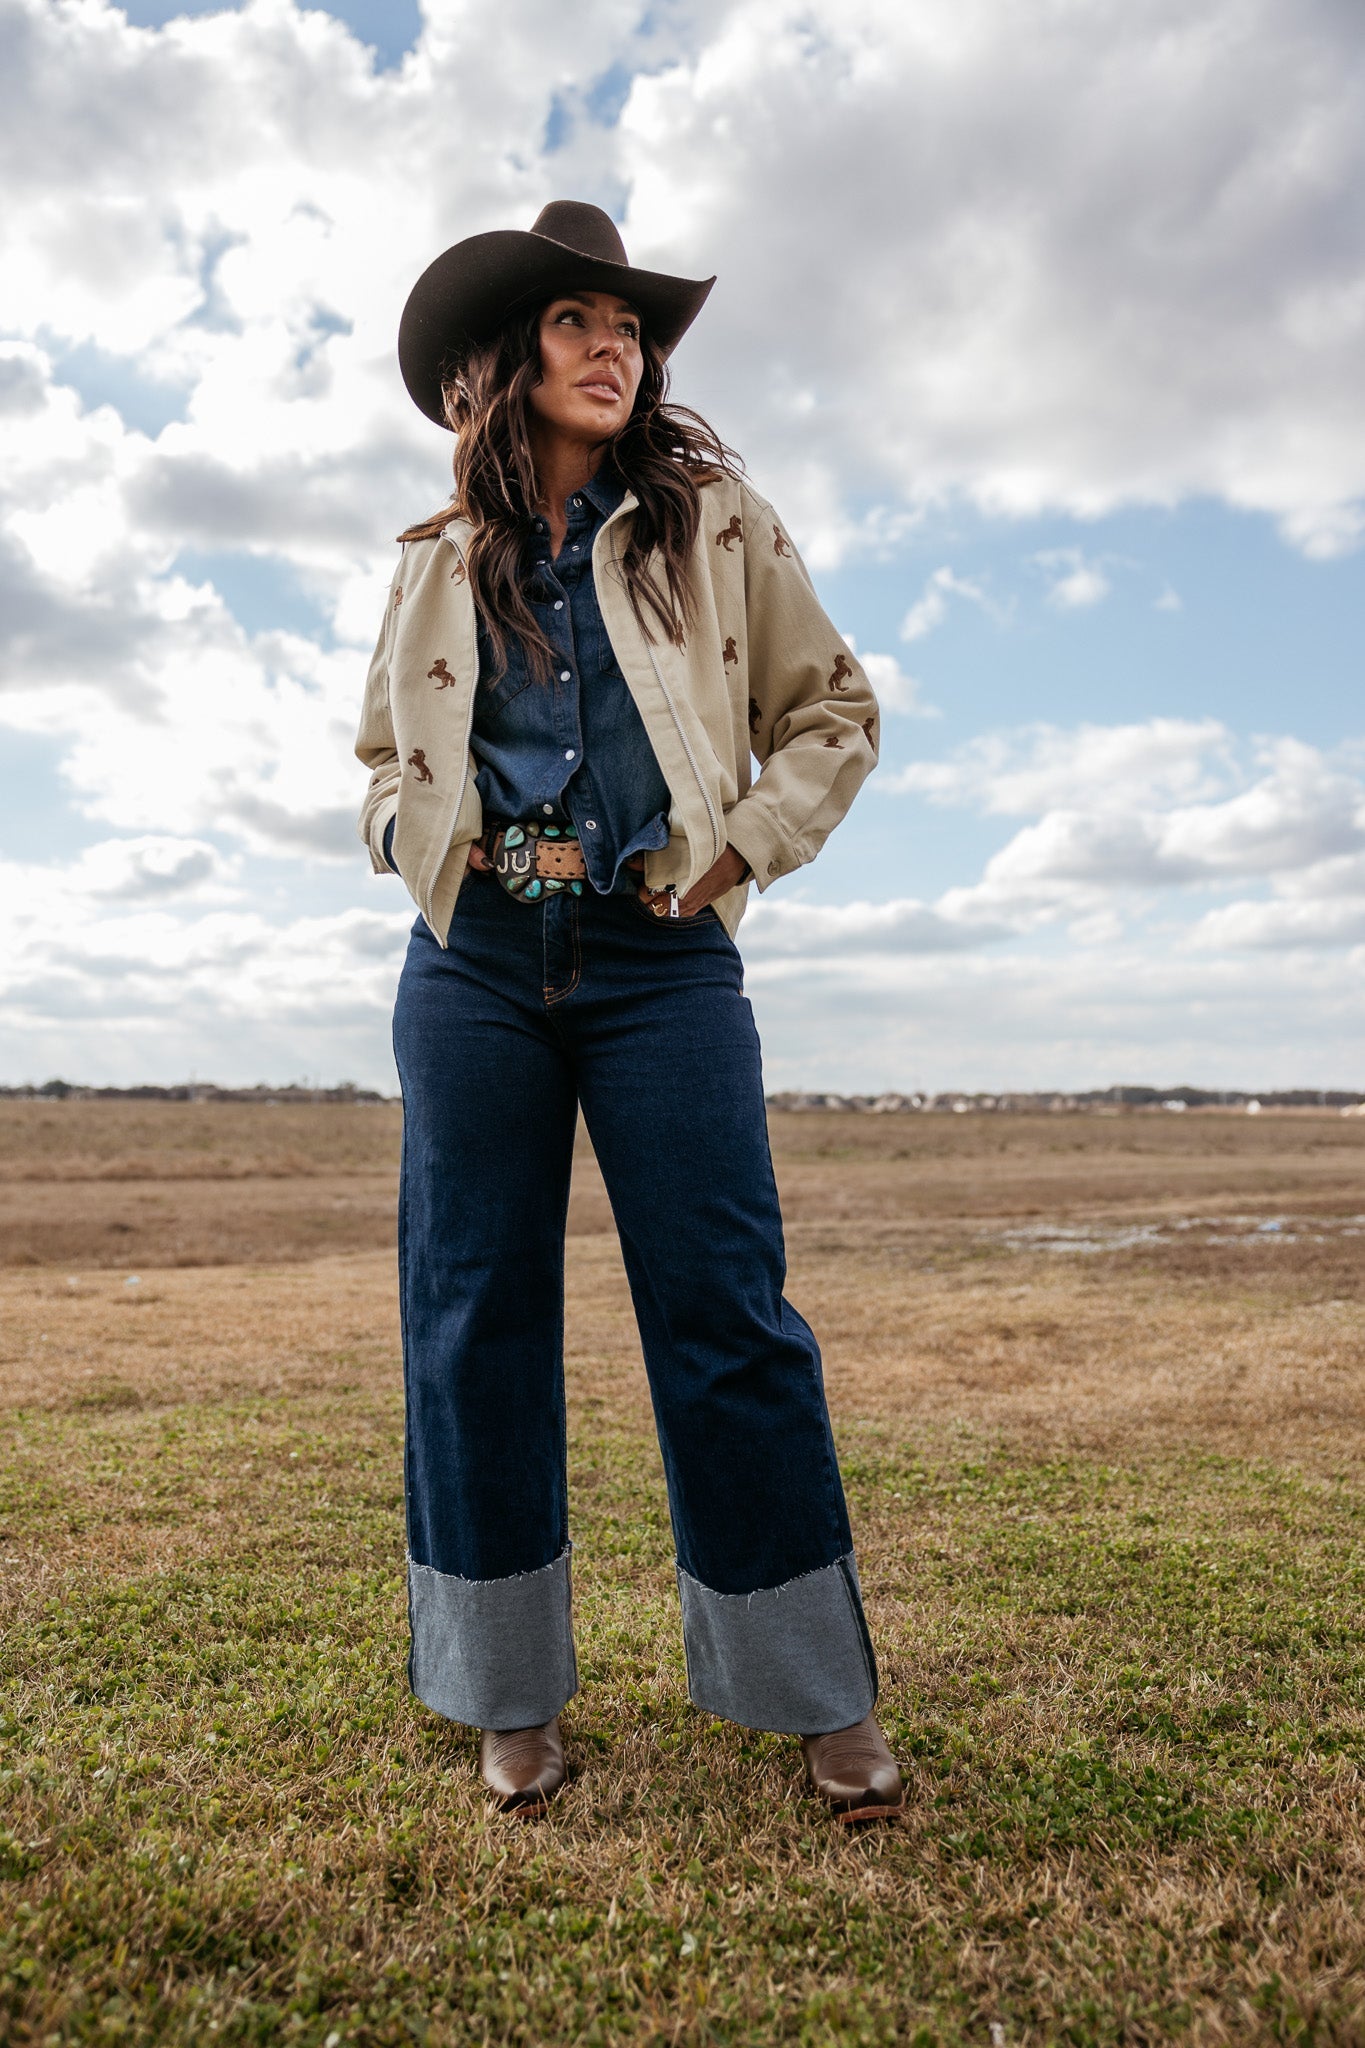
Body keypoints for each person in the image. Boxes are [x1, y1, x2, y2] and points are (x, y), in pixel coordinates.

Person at [355, 200, 902, 1824]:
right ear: (505, 361)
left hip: (662, 962)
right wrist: (409, 843)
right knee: (471, 1320)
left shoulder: (713, 520)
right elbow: (383, 758)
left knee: (726, 1315)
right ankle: (506, 1697)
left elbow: (833, 708)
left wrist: (740, 841)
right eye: (579, 323)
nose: (616, 350)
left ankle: (814, 1698)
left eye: (631, 330)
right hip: (473, 968)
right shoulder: (437, 559)